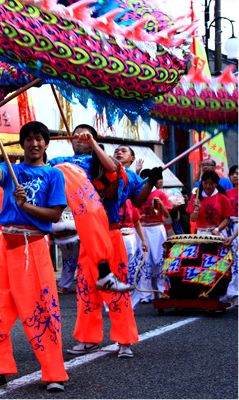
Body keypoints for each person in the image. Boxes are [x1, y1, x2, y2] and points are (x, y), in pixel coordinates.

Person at [0, 119, 68, 393]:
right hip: (6, 245)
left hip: (35, 246)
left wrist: (26, 205)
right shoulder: (10, 169)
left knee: (43, 310)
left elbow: (54, 215)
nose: (34, 143)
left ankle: (53, 372)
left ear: (46, 143)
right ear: (22, 143)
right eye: (29, 139)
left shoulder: (54, 176)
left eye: (39, 138)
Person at [51, 130, 158, 358]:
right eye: (76, 136)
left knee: (116, 291)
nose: (80, 139)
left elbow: (137, 199)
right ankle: (88, 339)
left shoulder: (121, 171)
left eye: (86, 136)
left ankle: (125, 341)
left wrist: (149, 182)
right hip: (87, 236)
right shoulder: (64, 163)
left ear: (94, 141)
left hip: (111, 234)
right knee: (86, 291)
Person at [132, 168, 172, 305]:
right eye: (144, 178)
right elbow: (134, 211)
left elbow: (167, 216)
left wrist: (161, 204)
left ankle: (162, 290)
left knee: (160, 259)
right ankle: (145, 293)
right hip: (142, 229)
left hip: (157, 228)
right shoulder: (137, 195)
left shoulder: (160, 194)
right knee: (143, 261)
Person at [187, 171, 231, 236]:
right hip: (202, 233)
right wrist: (196, 210)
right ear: (202, 183)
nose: (207, 186)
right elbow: (193, 219)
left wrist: (217, 229)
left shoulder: (222, 197)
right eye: (205, 183)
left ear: (216, 184)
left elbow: (227, 219)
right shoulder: (195, 197)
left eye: (211, 184)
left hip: (219, 232)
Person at [221, 165, 238, 305]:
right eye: (233, 174)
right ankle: (231, 291)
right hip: (229, 226)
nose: (235, 176)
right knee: (231, 260)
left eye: (237, 174)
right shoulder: (227, 193)